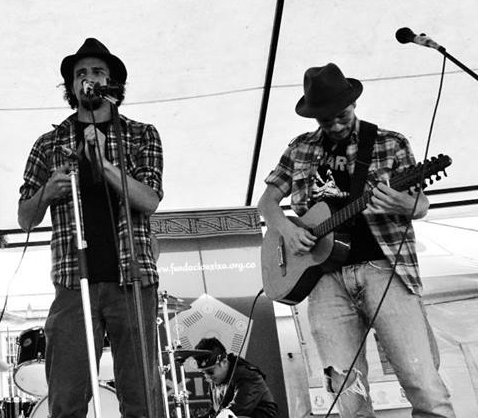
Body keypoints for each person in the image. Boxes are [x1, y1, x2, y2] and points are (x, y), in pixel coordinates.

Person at [257, 63, 455, 417]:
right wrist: (288, 229)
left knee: (419, 378)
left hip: (384, 271)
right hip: (324, 281)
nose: (334, 124)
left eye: (341, 115)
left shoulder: (389, 143)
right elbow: (267, 202)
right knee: (347, 393)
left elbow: (420, 204)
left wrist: (404, 203)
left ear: (353, 104)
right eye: (325, 119)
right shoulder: (299, 148)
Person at [17, 38, 163, 418]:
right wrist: (48, 191)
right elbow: (25, 218)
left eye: (97, 71)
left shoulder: (141, 135)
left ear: (113, 83)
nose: (88, 78)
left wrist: (104, 163)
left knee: (142, 398)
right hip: (72, 283)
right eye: (80, 73)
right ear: (71, 88)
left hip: (133, 280)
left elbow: (148, 200)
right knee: (66, 397)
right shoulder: (48, 143)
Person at [190, 337, 278, 418]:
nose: (207, 377)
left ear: (224, 362)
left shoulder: (248, 377)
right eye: (203, 373)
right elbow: (214, 412)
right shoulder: (215, 381)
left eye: (210, 372)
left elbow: (234, 411)